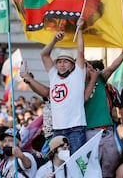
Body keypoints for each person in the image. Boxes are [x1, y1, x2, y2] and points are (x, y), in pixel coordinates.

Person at [40, 17, 86, 154]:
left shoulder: (78, 75)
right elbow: (44, 55)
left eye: (66, 62)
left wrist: (80, 31)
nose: (61, 64)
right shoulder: (53, 75)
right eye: (59, 62)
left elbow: (80, 52)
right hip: (57, 129)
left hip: (76, 129)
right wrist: (54, 40)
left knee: (76, 166)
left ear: (73, 65)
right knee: (59, 165)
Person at [84, 49, 123, 178]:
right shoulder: (78, 85)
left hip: (108, 131)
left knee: (111, 165)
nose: (91, 69)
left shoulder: (101, 79)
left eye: (90, 66)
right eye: (87, 67)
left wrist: (122, 55)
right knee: (92, 169)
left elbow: (111, 68)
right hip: (90, 133)